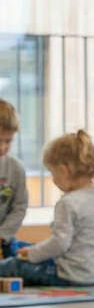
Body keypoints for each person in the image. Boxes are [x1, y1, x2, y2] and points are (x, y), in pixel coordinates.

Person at [0, 130, 94, 285]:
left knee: (16, 265)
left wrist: (31, 255)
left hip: (73, 275)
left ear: (64, 171)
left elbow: (59, 244)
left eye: (53, 174)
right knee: (33, 248)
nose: (53, 180)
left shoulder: (67, 203)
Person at [0, 100, 26, 259]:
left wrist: (3, 235)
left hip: (4, 239)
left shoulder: (16, 169)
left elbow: (19, 207)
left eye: (8, 141)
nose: (2, 147)